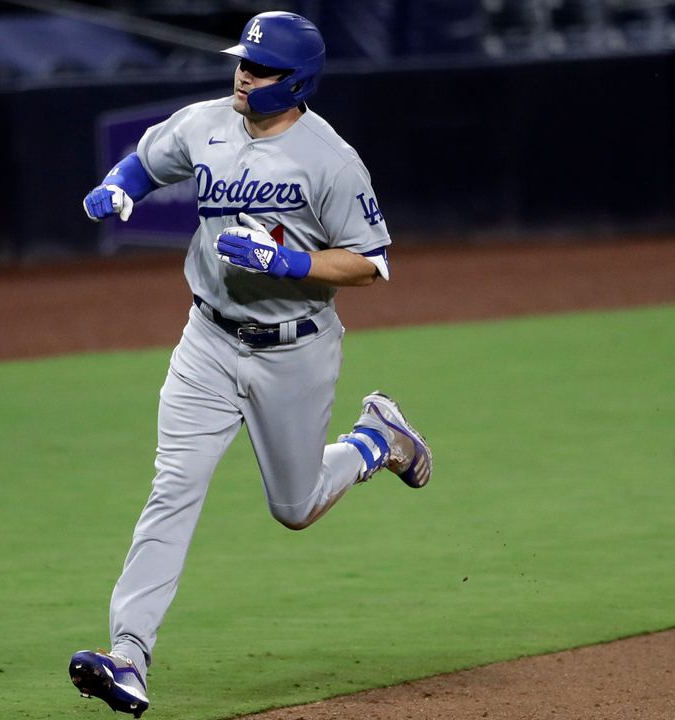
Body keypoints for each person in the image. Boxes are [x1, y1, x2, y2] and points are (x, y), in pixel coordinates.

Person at [70, 10, 433, 718]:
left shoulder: (330, 158)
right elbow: (148, 160)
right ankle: (128, 654)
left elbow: (371, 262)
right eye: (243, 60)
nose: (244, 73)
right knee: (172, 489)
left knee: (294, 508)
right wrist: (121, 187)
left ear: (296, 82)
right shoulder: (206, 122)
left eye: (261, 68)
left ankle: (376, 438)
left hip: (294, 350)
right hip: (205, 342)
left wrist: (290, 260)